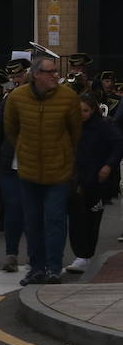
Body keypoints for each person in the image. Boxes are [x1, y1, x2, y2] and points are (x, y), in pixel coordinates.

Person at [4, 53, 81, 285]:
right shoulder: (17, 97)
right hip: (29, 171)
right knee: (33, 221)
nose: (56, 76)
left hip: (58, 171)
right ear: (36, 75)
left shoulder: (68, 97)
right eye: (51, 72)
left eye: (56, 72)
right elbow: (11, 130)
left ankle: (53, 268)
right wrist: (25, 150)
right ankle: (36, 267)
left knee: (55, 220)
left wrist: (65, 156)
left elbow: (75, 132)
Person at [66, 92, 123, 274]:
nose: (81, 114)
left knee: (91, 219)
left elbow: (118, 144)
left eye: (85, 110)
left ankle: (86, 255)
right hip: (75, 177)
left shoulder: (103, 126)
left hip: (96, 179)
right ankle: (81, 255)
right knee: (75, 218)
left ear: (93, 110)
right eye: (78, 110)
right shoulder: (71, 126)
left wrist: (108, 166)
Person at [0, 77, 25, 273]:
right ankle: (11, 253)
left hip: (36, 166)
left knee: (34, 212)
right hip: (10, 164)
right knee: (13, 209)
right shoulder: (9, 101)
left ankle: (38, 257)